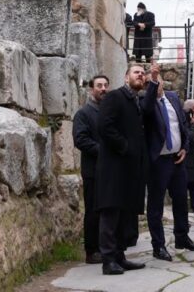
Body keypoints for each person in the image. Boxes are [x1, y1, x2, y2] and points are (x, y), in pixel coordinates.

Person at [139, 67, 194, 261]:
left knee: (181, 201)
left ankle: (182, 237)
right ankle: (158, 246)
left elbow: (183, 125)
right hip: (158, 161)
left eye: (158, 83)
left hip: (177, 159)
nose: (157, 85)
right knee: (156, 205)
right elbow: (148, 109)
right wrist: (153, 80)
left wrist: (184, 146)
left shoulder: (174, 98)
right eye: (153, 83)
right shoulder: (145, 102)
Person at [96, 64, 149, 275]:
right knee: (110, 215)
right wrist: (125, 147)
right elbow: (105, 126)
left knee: (124, 216)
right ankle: (108, 260)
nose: (141, 75)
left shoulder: (136, 101)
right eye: (136, 72)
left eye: (143, 73)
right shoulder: (114, 97)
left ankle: (120, 256)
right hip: (113, 168)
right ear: (126, 77)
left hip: (128, 170)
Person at [73, 74, 108, 264]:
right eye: (99, 85)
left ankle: (106, 247)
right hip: (93, 170)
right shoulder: (83, 114)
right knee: (93, 211)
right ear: (91, 89)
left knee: (108, 211)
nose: (103, 89)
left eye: (105, 85)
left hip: (110, 171)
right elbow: (80, 140)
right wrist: (103, 151)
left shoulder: (109, 111)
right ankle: (92, 251)